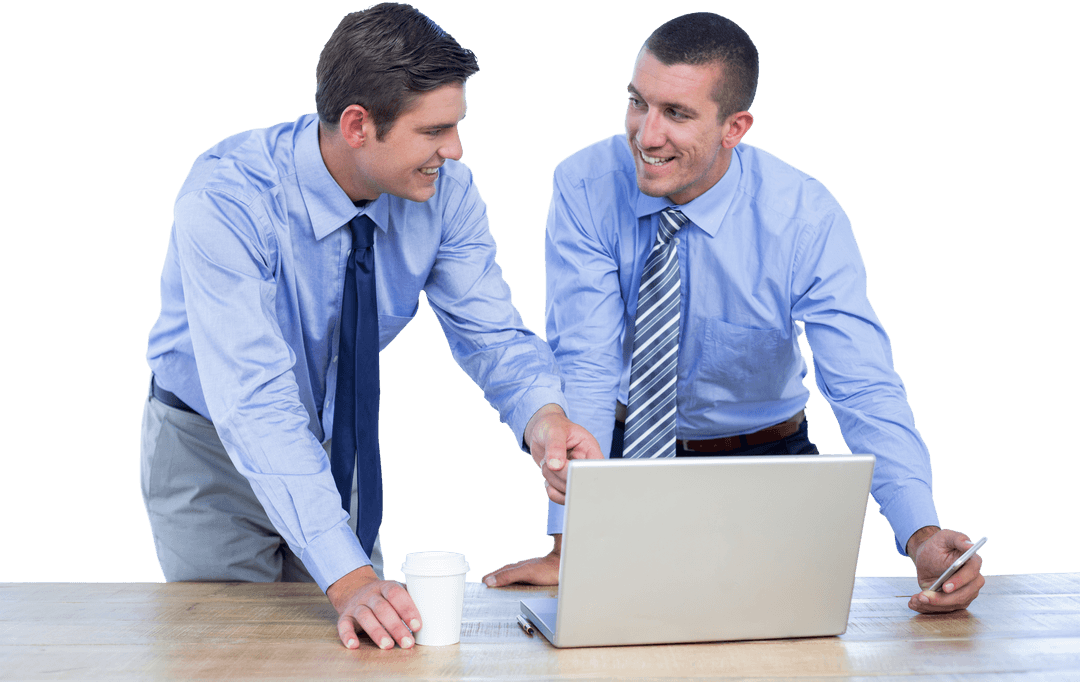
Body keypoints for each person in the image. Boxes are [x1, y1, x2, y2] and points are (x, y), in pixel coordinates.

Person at [483, 12, 984, 614]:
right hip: (622, 457)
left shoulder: (803, 217)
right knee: (611, 634)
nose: (646, 135)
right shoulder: (584, 184)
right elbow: (587, 361)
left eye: (677, 113)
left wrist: (921, 534)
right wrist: (572, 544)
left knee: (791, 636)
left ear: (734, 127)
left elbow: (862, 384)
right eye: (638, 103)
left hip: (764, 462)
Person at [140, 3, 600, 652]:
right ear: (358, 125)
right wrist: (350, 576)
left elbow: (493, 335)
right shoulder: (228, 198)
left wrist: (544, 417)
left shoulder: (447, 194)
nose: (454, 150)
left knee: (365, 643)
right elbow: (253, 402)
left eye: (456, 126)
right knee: (234, 647)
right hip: (210, 445)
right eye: (434, 130)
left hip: (336, 436)